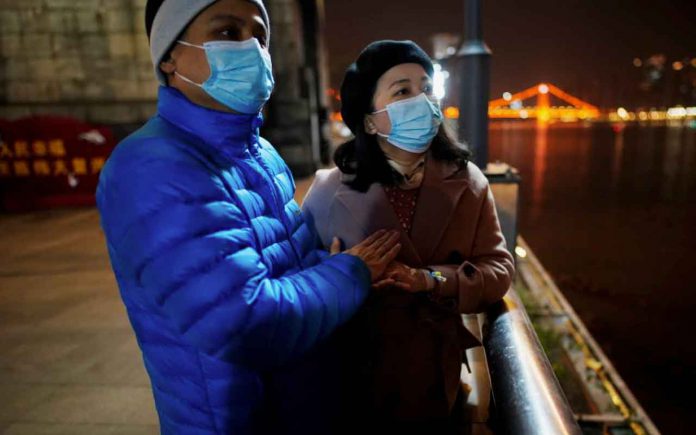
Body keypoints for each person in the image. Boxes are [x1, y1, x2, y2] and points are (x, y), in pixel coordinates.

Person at [96, 1, 401, 434]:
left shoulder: (259, 152)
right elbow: (243, 320)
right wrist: (351, 273)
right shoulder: (151, 167)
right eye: (226, 32)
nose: (251, 49)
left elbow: (292, 264)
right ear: (168, 57)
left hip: (299, 408)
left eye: (259, 36)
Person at [302, 40, 515, 434]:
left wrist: (429, 279)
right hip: (351, 371)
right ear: (369, 120)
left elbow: (500, 269)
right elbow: (294, 274)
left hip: (432, 376)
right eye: (402, 91)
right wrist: (337, 273)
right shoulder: (329, 191)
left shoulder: (469, 184)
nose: (423, 101)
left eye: (427, 88)